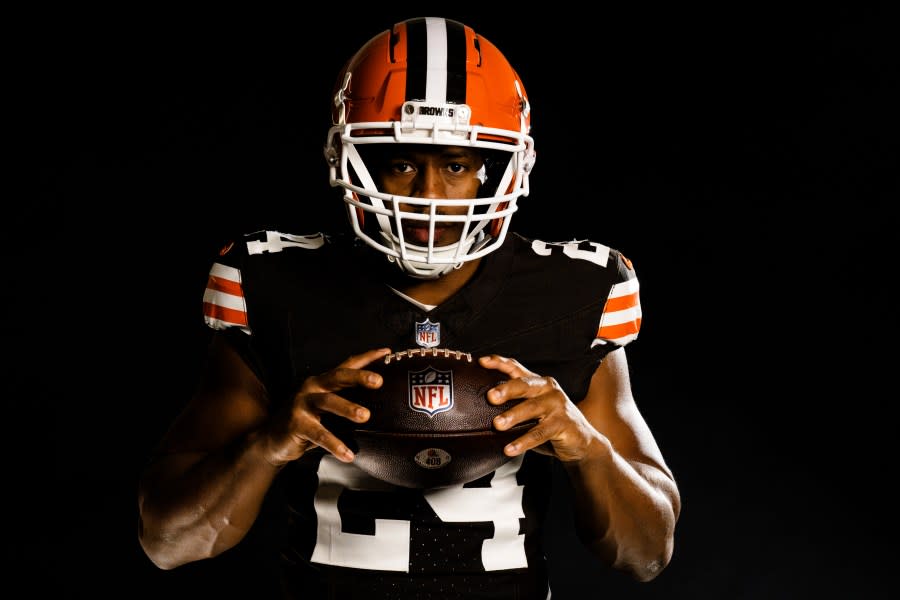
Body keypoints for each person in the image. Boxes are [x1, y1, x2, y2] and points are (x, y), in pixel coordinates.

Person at [137, 16, 681, 599]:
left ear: (500, 170)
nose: (427, 195)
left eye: (455, 164)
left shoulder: (575, 290)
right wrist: (269, 441)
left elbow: (647, 554)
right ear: (353, 161)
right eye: (401, 163)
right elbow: (169, 543)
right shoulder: (273, 281)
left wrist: (586, 446)